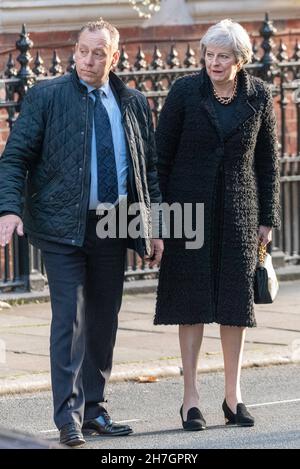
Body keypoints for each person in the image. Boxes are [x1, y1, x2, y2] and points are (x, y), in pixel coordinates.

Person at [0, 18, 163, 446]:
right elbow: (14, 158)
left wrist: (155, 227)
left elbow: (149, 170)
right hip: (61, 225)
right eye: (83, 51)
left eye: (98, 53)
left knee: (103, 320)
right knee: (68, 320)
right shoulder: (46, 97)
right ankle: (68, 417)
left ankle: (94, 408)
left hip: (114, 223)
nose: (88, 60)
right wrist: (9, 209)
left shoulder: (132, 102)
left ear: (115, 56)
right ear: (75, 51)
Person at [154, 19, 280, 430]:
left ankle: (233, 396)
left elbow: (267, 163)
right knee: (190, 304)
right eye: (209, 54)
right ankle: (190, 399)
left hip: (239, 212)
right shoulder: (184, 92)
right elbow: (160, 158)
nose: (214, 62)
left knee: (234, 306)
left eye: (223, 56)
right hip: (187, 212)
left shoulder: (259, 95)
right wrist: (158, 221)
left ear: (240, 60)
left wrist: (267, 218)